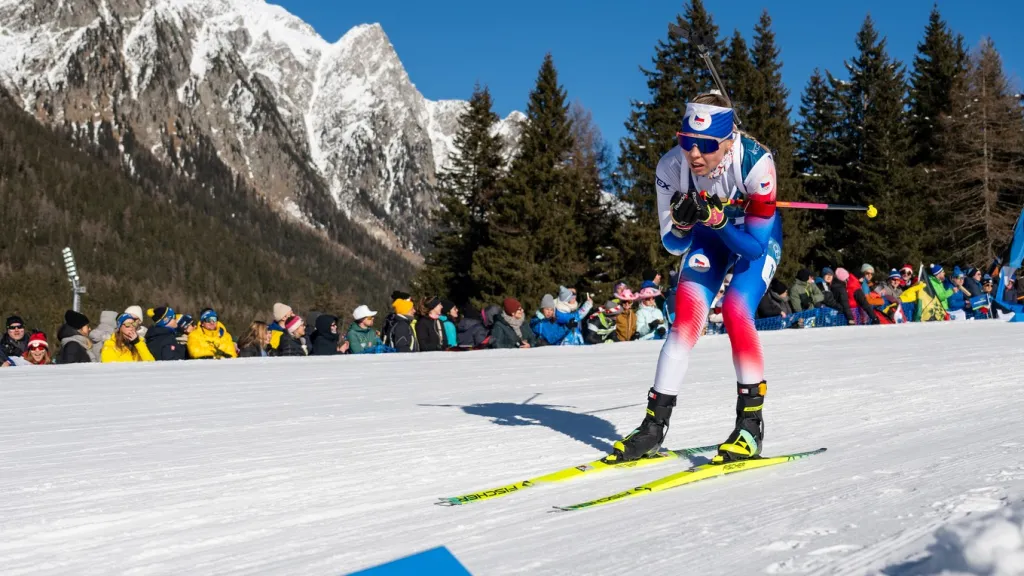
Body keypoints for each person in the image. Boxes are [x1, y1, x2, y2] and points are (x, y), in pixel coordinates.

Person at [609, 93, 782, 465]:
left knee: (736, 309)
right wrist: (686, 222)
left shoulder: (756, 164)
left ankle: (750, 425)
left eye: (705, 145)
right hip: (709, 236)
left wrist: (719, 219)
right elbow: (673, 243)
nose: (695, 154)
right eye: (687, 141)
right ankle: (654, 427)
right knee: (685, 318)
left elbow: (753, 248)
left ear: (728, 140)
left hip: (753, 236)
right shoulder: (672, 166)